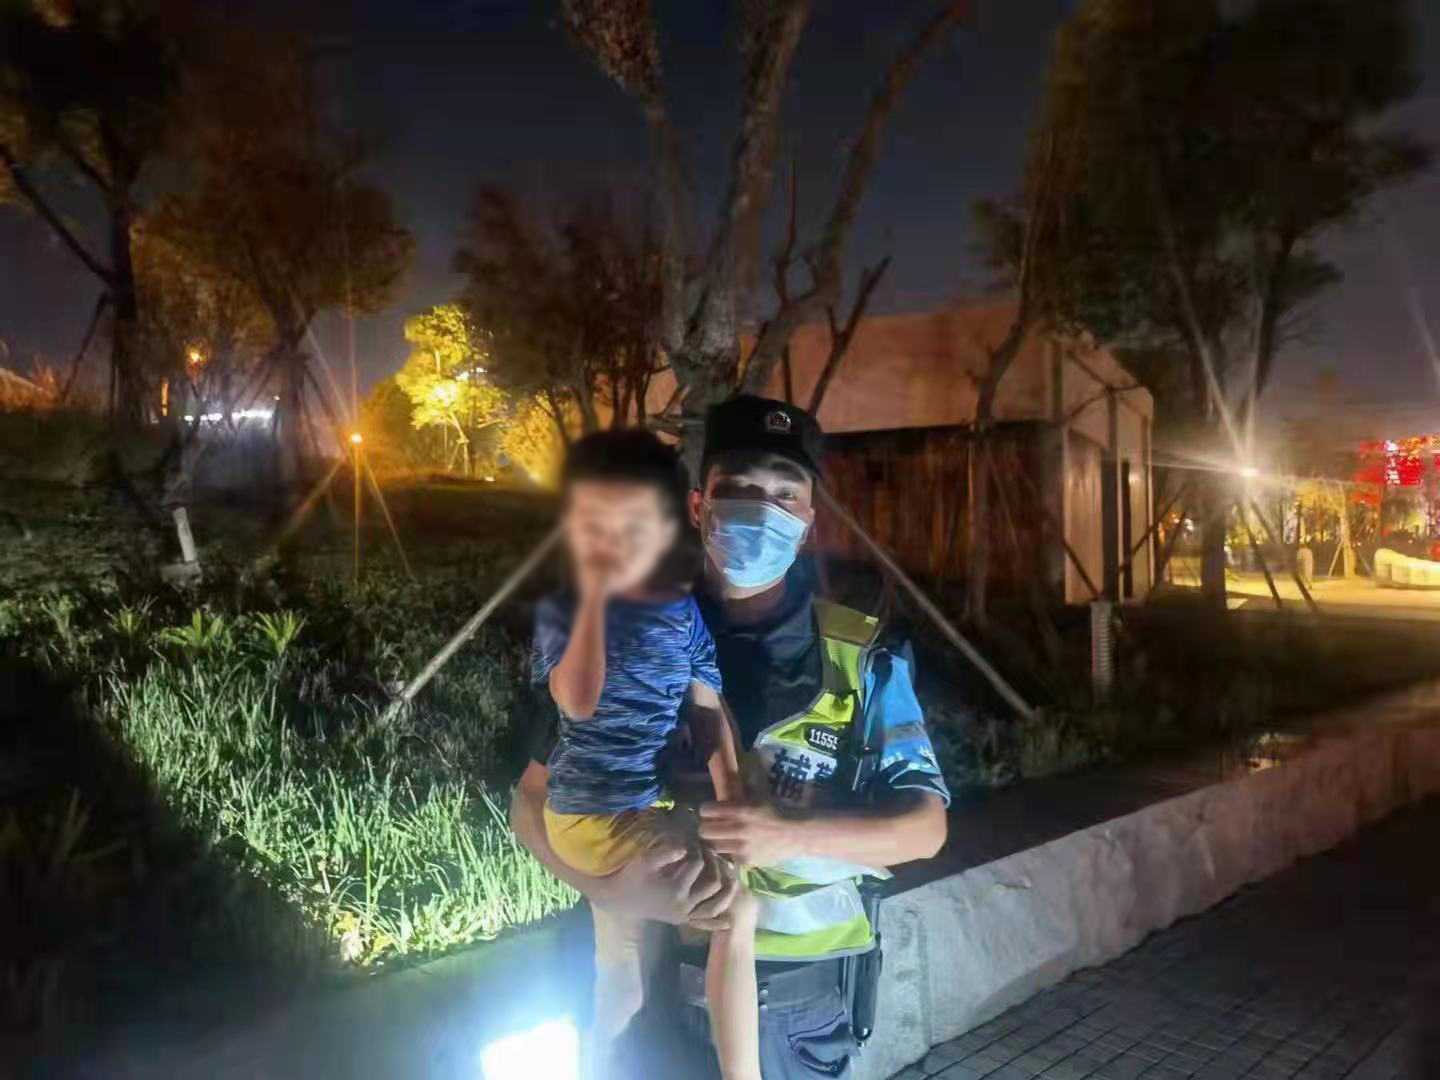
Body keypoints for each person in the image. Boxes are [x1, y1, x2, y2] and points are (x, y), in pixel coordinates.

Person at [511, 396, 951, 1078]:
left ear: (807, 523)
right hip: (657, 1001)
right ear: (699, 506)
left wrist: (790, 834)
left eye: (785, 494)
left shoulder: (864, 655)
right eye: (739, 488)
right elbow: (532, 801)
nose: (761, 510)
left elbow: (926, 828)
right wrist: (608, 888)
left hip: (800, 1019)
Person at [529, 428, 763, 1080]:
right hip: (589, 818)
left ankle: (596, 1064)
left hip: (638, 811)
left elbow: (708, 713)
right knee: (737, 911)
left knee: (622, 974)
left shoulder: (682, 615)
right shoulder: (565, 611)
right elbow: (578, 701)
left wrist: (733, 804)